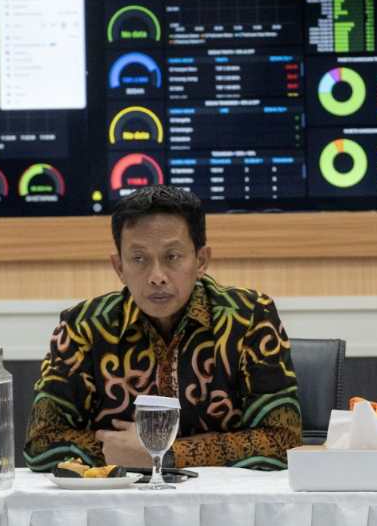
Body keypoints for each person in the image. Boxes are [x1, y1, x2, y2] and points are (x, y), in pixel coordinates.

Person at [24, 185, 301, 471]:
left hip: (222, 497)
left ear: (201, 260)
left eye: (172, 257)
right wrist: (116, 452)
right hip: (121, 496)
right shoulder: (84, 326)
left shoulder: (249, 317)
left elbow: (283, 440)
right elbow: (41, 443)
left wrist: (164, 454)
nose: (157, 277)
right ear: (119, 267)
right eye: (139, 259)